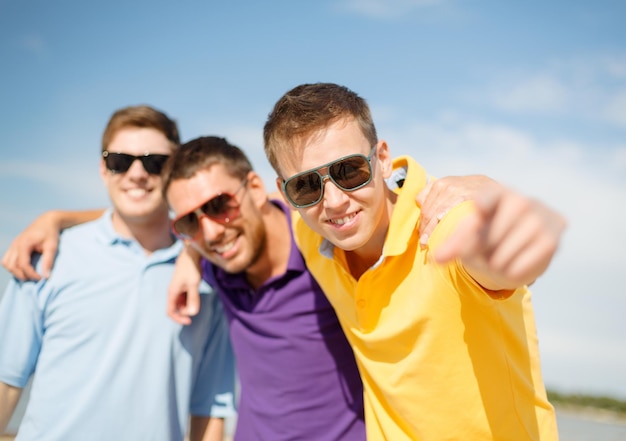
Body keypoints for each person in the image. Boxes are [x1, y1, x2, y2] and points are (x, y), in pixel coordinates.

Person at [2, 142, 497, 440]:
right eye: (190, 222)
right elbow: (142, 224)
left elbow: (382, 201)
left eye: (220, 205)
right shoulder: (211, 261)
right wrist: (56, 218)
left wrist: (478, 185)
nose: (212, 230)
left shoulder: (327, 249)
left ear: (258, 188)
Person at [261, 82, 567, 440]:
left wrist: (515, 229)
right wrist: (190, 252)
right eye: (307, 185)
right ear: (287, 191)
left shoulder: (445, 227)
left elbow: (497, 261)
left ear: (384, 158)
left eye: (348, 171)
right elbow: (240, 210)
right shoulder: (311, 231)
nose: (333, 202)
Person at [0, 106, 236, 441]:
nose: (137, 173)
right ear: (103, 168)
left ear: (174, 171)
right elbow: (7, 382)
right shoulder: (48, 257)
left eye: (155, 162)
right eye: (120, 161)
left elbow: (209, 410)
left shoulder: (207, 280)